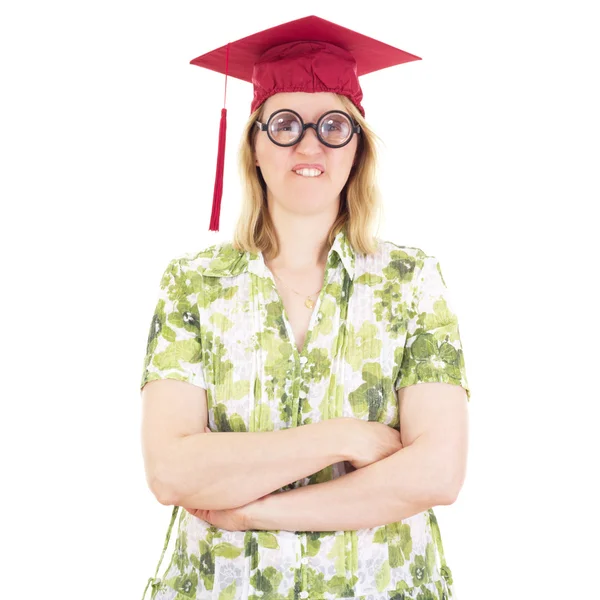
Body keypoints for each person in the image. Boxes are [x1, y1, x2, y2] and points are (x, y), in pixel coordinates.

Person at [139, 15, 471, 600]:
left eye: (333, 125)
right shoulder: (193, 284)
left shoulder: (412, 281)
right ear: (254, 145)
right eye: (285, 124)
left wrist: (251, 511)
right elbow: (172, 472)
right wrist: (342, 437)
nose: (310, 144)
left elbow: (437, 474)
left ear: (357, 148)